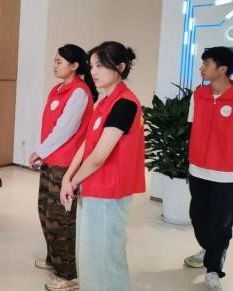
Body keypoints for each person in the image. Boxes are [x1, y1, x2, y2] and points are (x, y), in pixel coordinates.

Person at [60, 41, 145, 291]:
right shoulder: (104, 101)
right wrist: (68, 177)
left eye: (100, 66)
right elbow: (88, 143)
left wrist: (73, 182)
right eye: (91, 66)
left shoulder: (125, 104)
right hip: (93, 187)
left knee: (106, 258)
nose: (93, 71)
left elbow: (99, 156)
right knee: (90, 254)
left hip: (109, 192)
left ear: (120, 67)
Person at [183, 46, 233, 291]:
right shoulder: (199, 95)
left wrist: (225, 144)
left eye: (206, 63)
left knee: (221, 222)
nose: (201, 68)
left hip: (226, 174)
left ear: (222, 69)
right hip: (198, 170)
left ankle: (214, 267)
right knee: (197, 217)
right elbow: (194, 126)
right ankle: (211, 248)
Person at [28, 44, 98, 291]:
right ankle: (53, 258)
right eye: (55, 60)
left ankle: (69, 274)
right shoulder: (57, 89)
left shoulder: (80, 92)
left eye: (59, 61)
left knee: (61, 218)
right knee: (45, 211)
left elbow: (65, 129)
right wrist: (42, 152)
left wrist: (40, 151)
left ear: (75, 65)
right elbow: (48, 125)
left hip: (66, 165)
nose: (55, 65)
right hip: (51, 161)